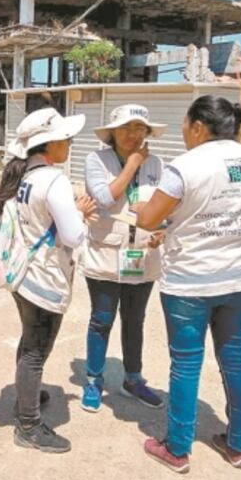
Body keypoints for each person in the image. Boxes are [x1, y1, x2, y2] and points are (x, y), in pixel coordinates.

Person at [134, 96, 241, 474]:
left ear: (197, 127)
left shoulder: (185, 166)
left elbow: (149, 220)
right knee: (236, 361)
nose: (183, 134)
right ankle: (237, 445)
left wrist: (141, 210)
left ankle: (177, 449)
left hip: (191, 282)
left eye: (184, 127)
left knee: (186, 364)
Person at [0, 107, 96, 454]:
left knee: (29, 343)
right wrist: (81, 214)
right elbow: (72, 236)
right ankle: (28, 424)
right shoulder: (54, 180)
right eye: (65, 138)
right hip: (45, 278)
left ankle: (27, 395)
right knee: (36, 351)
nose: (69, 142)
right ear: (50, 144)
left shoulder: (24, 177)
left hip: (25, 276)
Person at [79, 104, 167, 413]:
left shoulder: (157, 163)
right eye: (127, 128)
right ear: (112, 133)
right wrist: (131, 166)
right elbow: (104, 198)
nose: (134, 134)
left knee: (135, 320)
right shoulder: (96, 160)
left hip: (141, 255)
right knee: (101, 320)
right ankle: (93, 380)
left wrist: (162, 230)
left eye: (140, 128)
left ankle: (133, 378)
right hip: (106, 253)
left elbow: (162, 205)